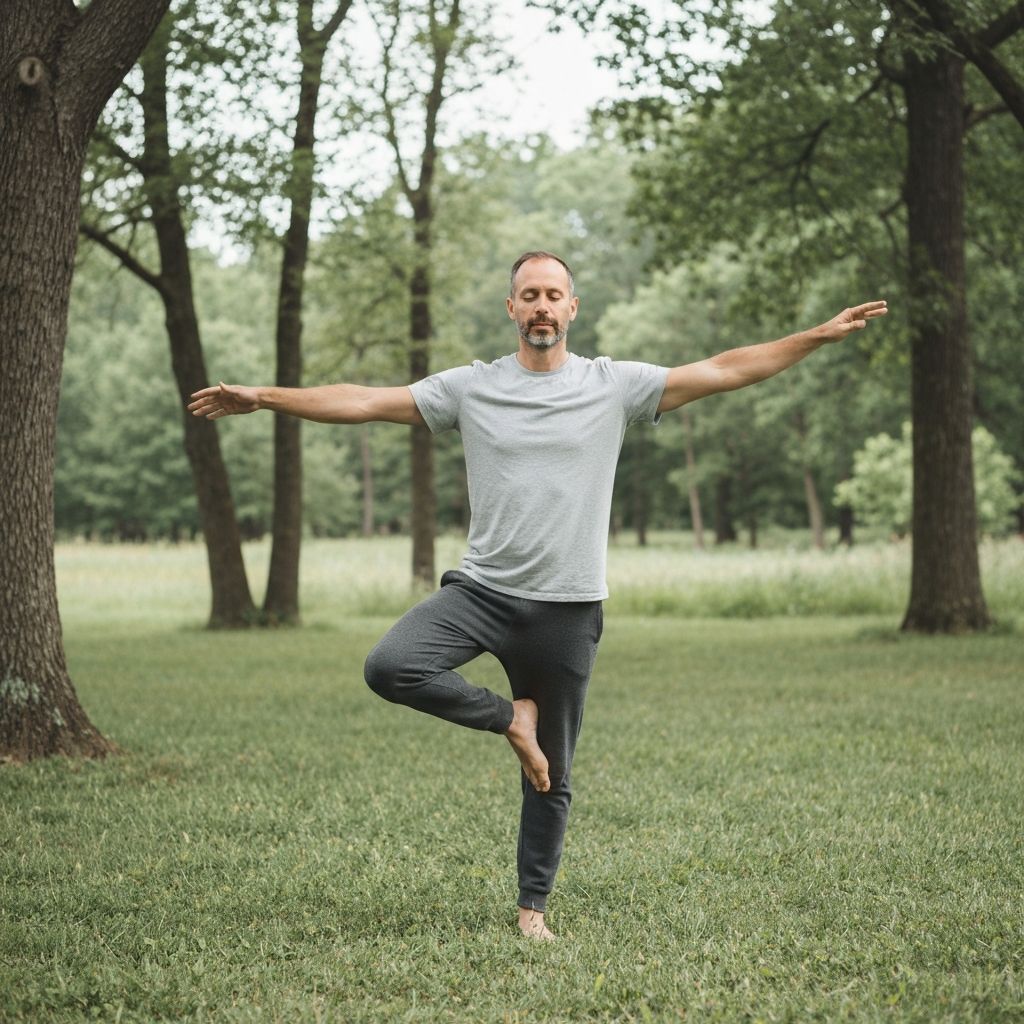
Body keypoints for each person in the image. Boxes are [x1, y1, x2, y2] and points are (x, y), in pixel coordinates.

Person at [188, 250, 887, 940]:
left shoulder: (615, 386)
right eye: (530, 295)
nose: (543, 307)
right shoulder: (472, 388)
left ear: (573, 308)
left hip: (569, 607)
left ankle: (533, 912)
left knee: (554, 772)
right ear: (512, 309)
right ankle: (508, 718)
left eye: (555, 295)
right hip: (483, 592)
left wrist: (817, 336)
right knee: (391, 665)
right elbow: (366, 401)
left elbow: (729, 367)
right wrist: (264, 396)